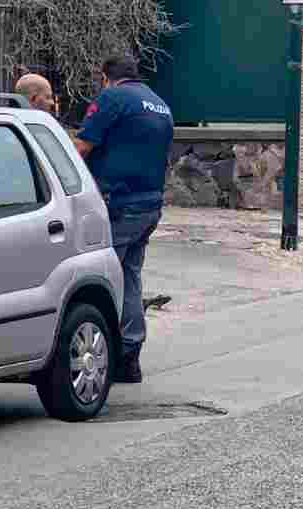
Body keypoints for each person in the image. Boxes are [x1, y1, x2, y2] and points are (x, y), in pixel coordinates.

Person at [73, 55, 174, 384]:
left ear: (107, 77)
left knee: (101, 282)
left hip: (118, 205)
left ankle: (105, 355)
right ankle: (130, 356)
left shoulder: (113, 98)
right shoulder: (159, 104)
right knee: (129, 278)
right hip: (149, 205)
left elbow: (82, 147)